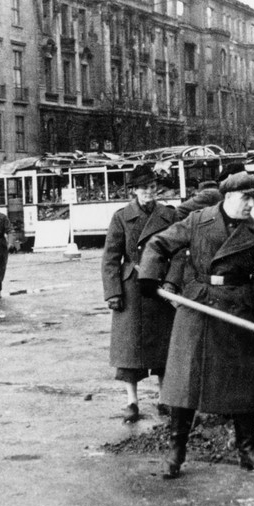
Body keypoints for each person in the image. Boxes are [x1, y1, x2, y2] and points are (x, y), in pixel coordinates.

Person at [139, 172, 254, 479]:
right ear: (228, 197)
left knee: (243, 380)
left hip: (238, 308)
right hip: (198, 305)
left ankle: (246, 451)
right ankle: (176, 453)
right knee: (185, 381)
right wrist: (150, 277)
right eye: (247, 198)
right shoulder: (198, 221)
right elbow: (159, 243)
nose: (252, 204)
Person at [102, 165, 182, 423]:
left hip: (160, 287)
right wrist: (113, 292)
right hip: (132, 288)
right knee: (130, 350)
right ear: (133, 191)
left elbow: (180, 253)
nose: (149, 191)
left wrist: (172, 282)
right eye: (143, 187)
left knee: (163, 346)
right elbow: (111, 258)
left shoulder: (169, 215)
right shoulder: (122, 217)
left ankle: (164, 399)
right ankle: (131, 402)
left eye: (152, 186)